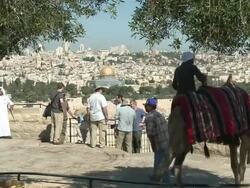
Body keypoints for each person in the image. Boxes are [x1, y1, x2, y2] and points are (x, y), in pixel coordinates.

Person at [144, 98, 170, 183]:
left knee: (160, 161)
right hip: (166, 140)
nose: (145, 107)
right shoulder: (158, 114)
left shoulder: (149, 117)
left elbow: (150, 134)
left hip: (160, 143)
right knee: (160, 160)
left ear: (150, 106)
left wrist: (153, 146)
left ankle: (165, 181)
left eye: (146, 106)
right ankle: (157, 177)